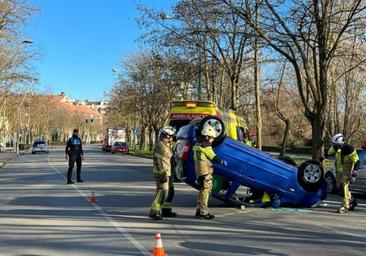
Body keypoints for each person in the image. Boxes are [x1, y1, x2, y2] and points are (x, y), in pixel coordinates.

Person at [193, 126, 227, 219]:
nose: (212, 140)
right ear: (206, 137)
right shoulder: (206, 147)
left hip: (199, 171)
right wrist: (221, 161)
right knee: (205, 191)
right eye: (211, 138)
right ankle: (204, 212)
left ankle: (199, 210)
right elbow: (213, 157)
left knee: (202, 191)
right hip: (205, 172)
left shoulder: (197, 146)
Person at [149, 126, 177, 220]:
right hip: (162, 173)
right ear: (166, 136)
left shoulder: (168, 146)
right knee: (162, 192)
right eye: (171, 136)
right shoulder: (160, 145)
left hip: (168, 172)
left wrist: (173, 171)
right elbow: (158, 160)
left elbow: (170, 159)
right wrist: (162, 173)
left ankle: (165, 210)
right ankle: (154, 211)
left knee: (170, 192)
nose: (172, 139)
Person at [329, 133, 359, 213]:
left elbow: (357, 162)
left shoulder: (350, 149)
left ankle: (345, 206)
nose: (335, 146)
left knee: (343, 185)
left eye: (336, 145)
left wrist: (354, 174)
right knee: (339, 187)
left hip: (347, 169)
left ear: (341, 143)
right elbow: (328, 153)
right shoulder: (335, 147)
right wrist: (322, 158)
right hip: (339, 169)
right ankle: (351, 201)